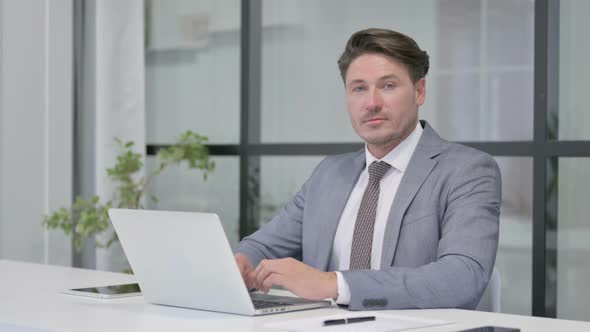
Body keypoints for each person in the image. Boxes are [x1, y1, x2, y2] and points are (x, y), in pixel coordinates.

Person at [234, 28, 502, 311]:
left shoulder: (467, 170)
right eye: (359, 88)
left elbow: (462, 276)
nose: (372, 103)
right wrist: (241, 263)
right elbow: (263, 247)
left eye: (388, 86)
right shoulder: (329, 173)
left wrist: (335, 285)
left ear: (419, 91)